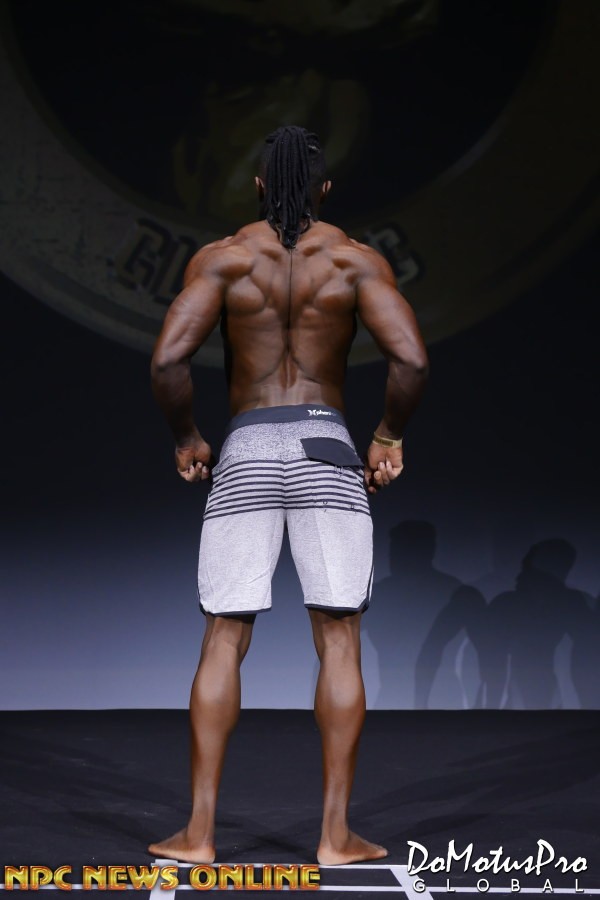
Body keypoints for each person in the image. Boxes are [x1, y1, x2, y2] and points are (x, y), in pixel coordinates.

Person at [148, 125, 429, 865]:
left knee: (224, 635)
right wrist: (388, 436)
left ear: (257, 186)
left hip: (246, 449)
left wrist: (187, 437)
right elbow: (410, 360)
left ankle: (199, 834)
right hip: (327, 448)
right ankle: (335, 837)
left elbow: (169, 360)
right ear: (326, 189)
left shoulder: (224, 259)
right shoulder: (355, 261)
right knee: (339, 637)